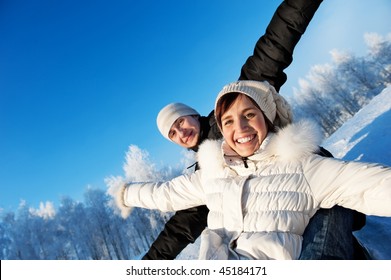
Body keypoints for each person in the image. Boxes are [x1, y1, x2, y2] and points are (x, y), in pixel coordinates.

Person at [143, 0, 366, 260]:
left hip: (313, 181)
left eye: (180, 121)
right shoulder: (206, 169)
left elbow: (273, 48)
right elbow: (183, 225)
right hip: (284, 222)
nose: (181, 132)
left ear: (193, 115)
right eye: (172, 133)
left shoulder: (235, 103)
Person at [111, 80, 391, 260]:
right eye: (229, 122)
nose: (240, 129)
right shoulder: (212, 169)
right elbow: (167, 195)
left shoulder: (299, 163)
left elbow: (372, 185)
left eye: (249, 116)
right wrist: (126, 194)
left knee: (331, 210)